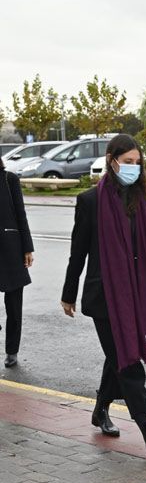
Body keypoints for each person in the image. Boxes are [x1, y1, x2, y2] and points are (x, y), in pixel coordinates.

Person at [61, 134, 146, 458]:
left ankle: (100, 409)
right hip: (104, 297)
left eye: (138, 163)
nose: (134, 169)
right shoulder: (90, 201)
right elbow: (78, 252)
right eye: (128, 163)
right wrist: (69, 293)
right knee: (128, 360)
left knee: (117, 355)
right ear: (112, 161)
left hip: (136, 294)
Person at [0, 157, 34, 368]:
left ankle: (12, 351)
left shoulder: (9, 179)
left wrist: (27, 248)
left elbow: (21, 214)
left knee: (14, 306)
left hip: (11, 249)